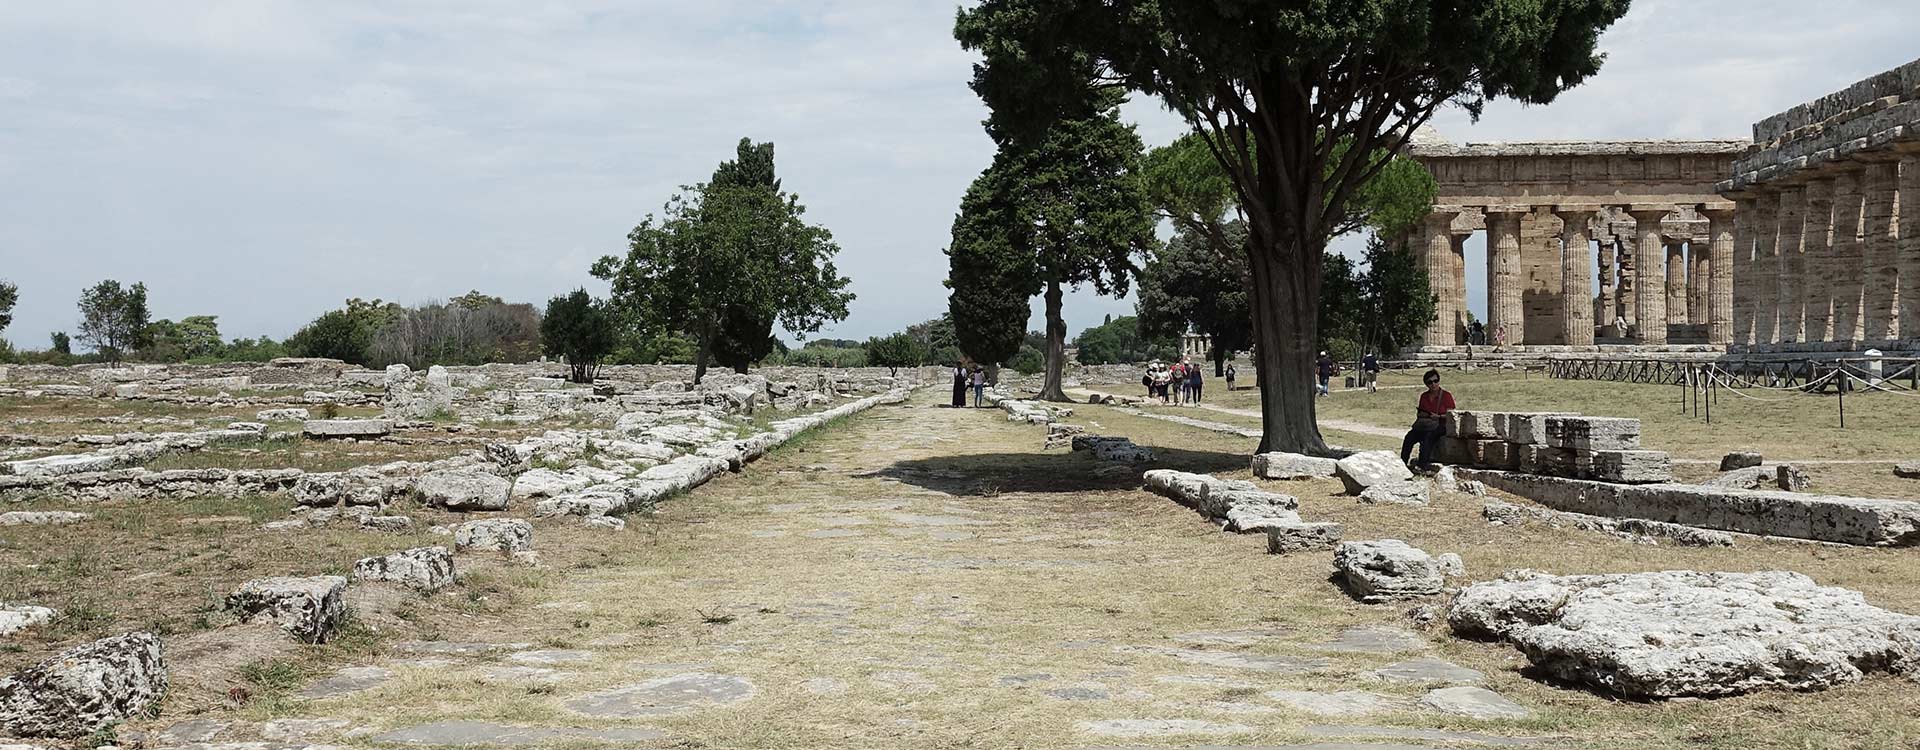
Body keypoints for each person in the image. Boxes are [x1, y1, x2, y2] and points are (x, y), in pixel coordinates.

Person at [1400, 369, 1455, 469]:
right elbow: (1420, 413)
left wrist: (1438, 416)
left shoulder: (1446, 396)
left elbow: (1452, 415)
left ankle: (1422, 465)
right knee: (1409, 437)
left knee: (1428, 437)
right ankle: (1402, 464)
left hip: (1441, 424)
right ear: (1426, 384)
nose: (1433, 384)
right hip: (1427, 424)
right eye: (1430, 382)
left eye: (1436, 381)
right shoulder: (1424, 396)